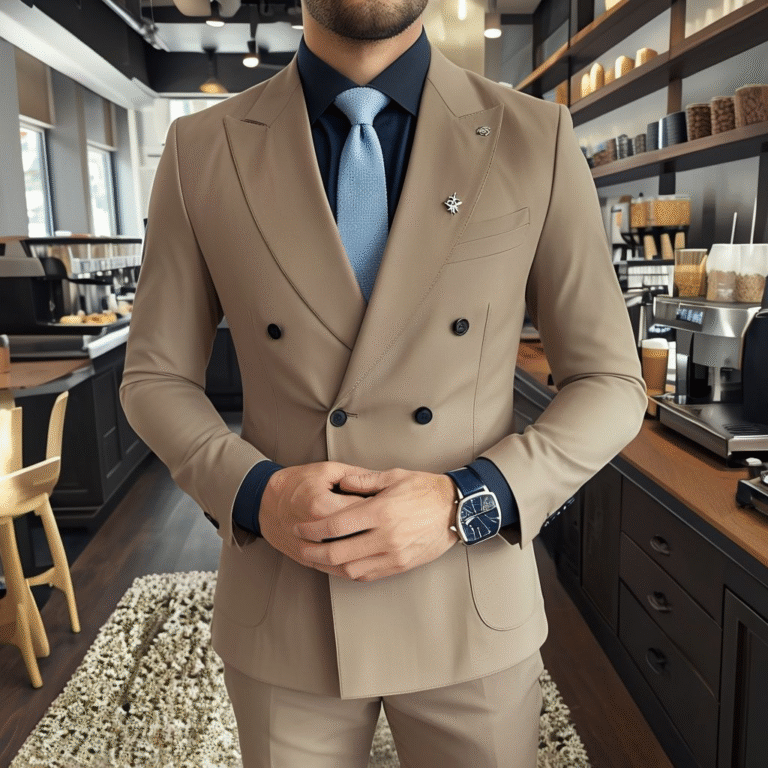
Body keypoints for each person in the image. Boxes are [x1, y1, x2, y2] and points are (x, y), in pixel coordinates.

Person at [119, 0, 647, 765]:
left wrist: (471, 500)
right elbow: (155, 376)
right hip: (286, 605)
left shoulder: (535, 136)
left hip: (468, 603)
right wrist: (254, 493)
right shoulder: (202, 146)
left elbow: (610, 379)